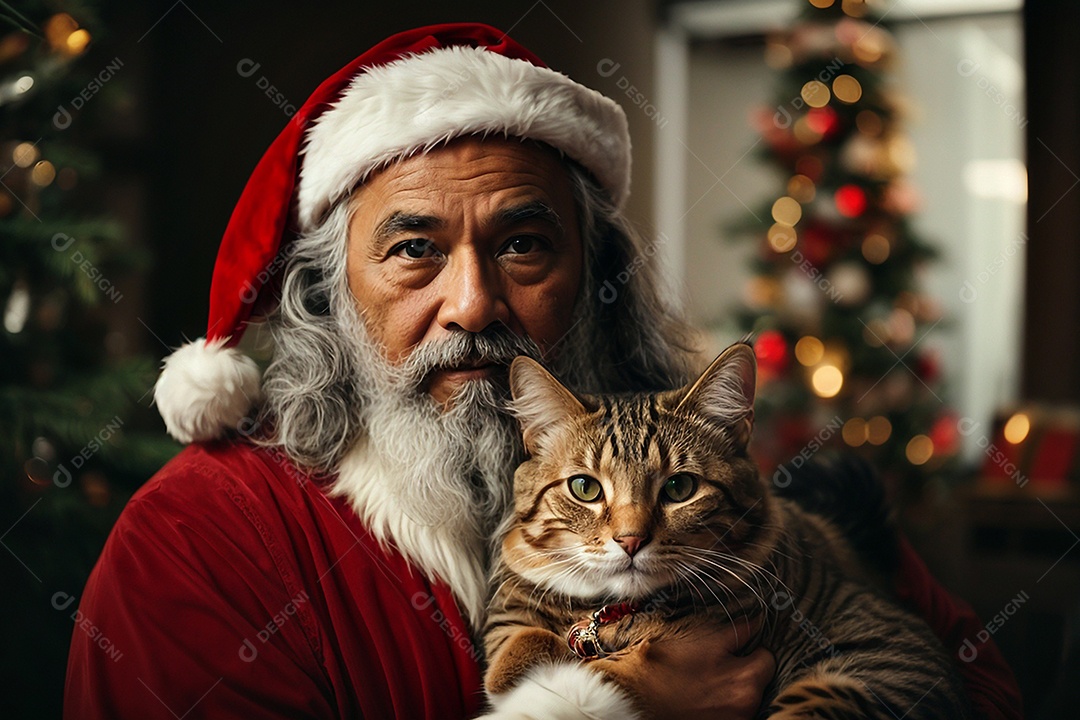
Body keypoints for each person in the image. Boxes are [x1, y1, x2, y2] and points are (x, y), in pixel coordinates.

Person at [64, 22, 1022, 720]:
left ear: (597, 278)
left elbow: (980, 690)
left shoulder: (709, 475)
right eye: (413, 250)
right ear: (330, 292)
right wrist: (636, 706)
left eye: (523, 245)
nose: (473, 304)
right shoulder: (198, 539)